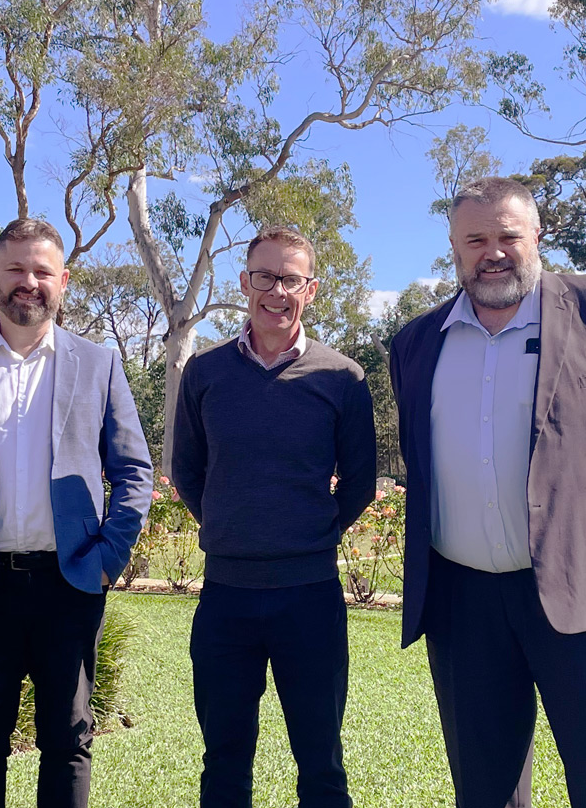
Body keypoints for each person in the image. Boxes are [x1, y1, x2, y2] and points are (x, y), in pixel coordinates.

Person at [388, 177, 586, 808]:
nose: (492, 252)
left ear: (537, 236)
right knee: (485, 792)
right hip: (462, 603)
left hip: (585, 588)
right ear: (453, 246)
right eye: (475, 239)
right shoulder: (416, 342)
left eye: (507, 236)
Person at [0, 218, 153, 808]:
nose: (28, 282)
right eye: (16, 268)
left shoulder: (99, 364)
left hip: (71, 581)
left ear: (63, 280)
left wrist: (109, 559)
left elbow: (135, 473)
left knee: (67, 741)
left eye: (42, 271)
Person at [172, 225, 378, 808]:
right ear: (244, 283)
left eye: (291, 279)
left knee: (321, 759)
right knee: (224, 760)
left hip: (309, 596)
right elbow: (188, 471)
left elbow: (360, 481)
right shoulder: (206, 375)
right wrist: (233, 525)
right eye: (265, 276)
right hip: (226, 599)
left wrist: (308, 534)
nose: (277, 291)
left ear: (309, 290)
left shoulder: (342, 377)